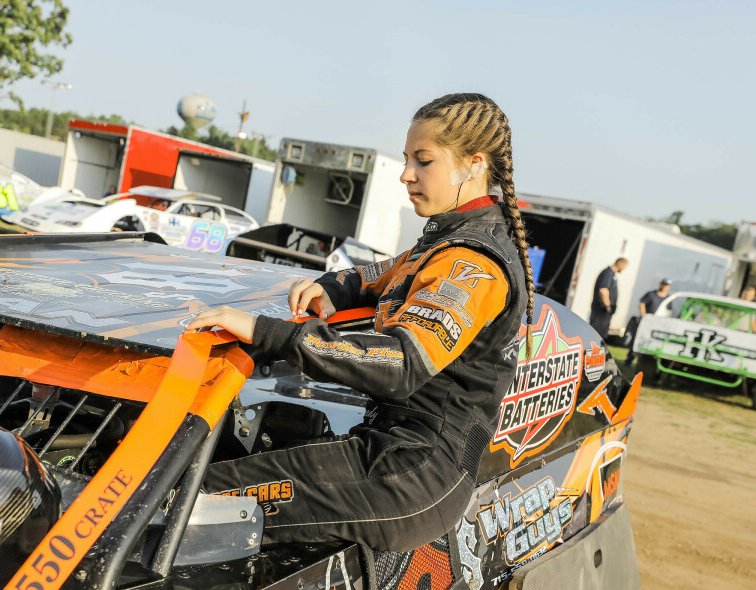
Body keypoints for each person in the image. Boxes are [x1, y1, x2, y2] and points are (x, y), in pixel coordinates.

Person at [187, 93, 533, 553]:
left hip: (415, 475)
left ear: (473, 165)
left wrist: (266, 331)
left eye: (422, 161)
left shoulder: (473, 261)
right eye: (407, 158)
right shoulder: (445, 240)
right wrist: (333, 286)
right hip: (395, 454)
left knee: (188, 501)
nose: (405, 173)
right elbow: (375, 274)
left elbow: (401, 364)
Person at [623, 278, 671, 364]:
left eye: (667, 285)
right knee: (637, 340)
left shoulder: (668, 298)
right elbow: (642, 303)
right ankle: (629, 359)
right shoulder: (651, 294)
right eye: (664, 284)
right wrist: (644, 316)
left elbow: (669, 311)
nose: (665, 286)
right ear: (660, 284)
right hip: (647, 323)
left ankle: (645, 362)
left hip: (658, 325)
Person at [590, 258, 628, 339]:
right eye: (624, 267)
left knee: (601, 335)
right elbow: (603, 290)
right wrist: (608, 306)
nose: (624, 269)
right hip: (601, 309)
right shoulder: (608, 273)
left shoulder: (612, 274)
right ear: (620, 264)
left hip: (605, 310)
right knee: (595, 334)